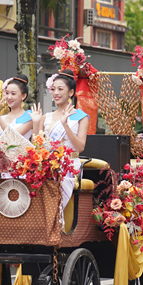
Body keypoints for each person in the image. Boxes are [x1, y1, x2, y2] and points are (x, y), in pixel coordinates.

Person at [32, 69, 88, 208]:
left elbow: (80, 147)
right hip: (48, 167)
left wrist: (65, 125)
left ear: (71, 92)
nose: (56, 93)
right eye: (53, 89)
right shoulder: (46, 117)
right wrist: (36, 123)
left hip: (70, 167)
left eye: (60, 89)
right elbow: (35, 147)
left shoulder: (81, 117)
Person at [0, 75, 37, 140]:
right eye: (7, 93)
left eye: (13, 94)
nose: (9, 97)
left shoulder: (29, 116)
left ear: (23, 96)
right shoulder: (2, 118)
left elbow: (12, 137)